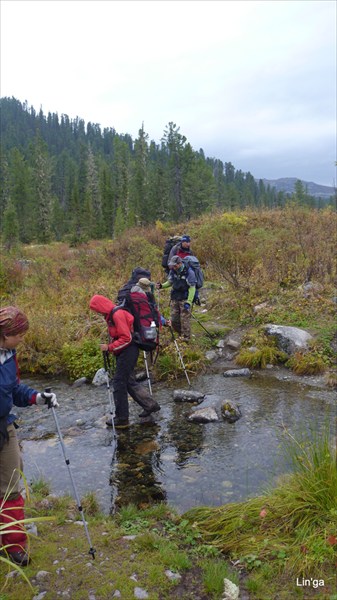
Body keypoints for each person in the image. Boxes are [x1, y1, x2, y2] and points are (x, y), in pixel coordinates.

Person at [0, 306, 59, 567]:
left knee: (12, 482)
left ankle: (13, 545)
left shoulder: (9, 356)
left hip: (4, 425)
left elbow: (14, 390)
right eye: (19, 334)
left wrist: (37, 397)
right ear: (5, 334)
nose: (23, 338)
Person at [89, 294, 161, 428]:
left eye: (96, 309)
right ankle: (150, 405)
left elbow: (126, 338)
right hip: (125, 351)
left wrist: (109, 347)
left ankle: (122, 418)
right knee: (128, 381)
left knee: (119, 382)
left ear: (101, 306)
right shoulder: (111, 315)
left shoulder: (117, 314)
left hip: (129, 351)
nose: (96, 312)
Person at [156, 255, 196, 342]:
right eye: (172, 265)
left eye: (175, 265)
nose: (173, 267)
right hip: (175, 298)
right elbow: (170, 282)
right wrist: (162, 286)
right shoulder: (173, 271)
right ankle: (179, 334)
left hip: (185, 299)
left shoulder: (189, 272)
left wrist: (189, 301)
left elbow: (192, 288)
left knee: (185, 320)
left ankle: (186, 339)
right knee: (174, 320)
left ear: (180, 263)